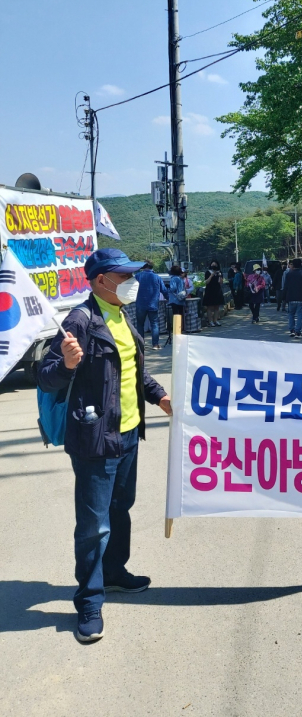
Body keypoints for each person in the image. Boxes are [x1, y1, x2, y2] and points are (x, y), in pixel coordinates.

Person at [38, 248, 172, 643]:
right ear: (101, 281)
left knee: (120, 510)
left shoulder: (121, 314)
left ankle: (114, 573)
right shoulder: (80, 320)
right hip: (95, 440)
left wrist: (160, 397)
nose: (132, 282)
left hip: (128, 434)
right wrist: (66, 364)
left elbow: (135, 372)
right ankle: (89, 600)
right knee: (94, 526)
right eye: (124, 275)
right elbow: (45, 377)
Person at [135, 262, 168, 350]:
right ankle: (155, 344)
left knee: (140, 325)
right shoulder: (157, 277)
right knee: (154, 324)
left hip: (140, 304)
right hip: (153, 304)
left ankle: (141, 345)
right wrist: (168, 298)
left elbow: (131, 288)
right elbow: (164, 290)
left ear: (143, 267)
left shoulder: (137, 276)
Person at [283, 257, 302, 338]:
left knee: (291, 314)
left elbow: (285, 286)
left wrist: (284, 297)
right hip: (301, 297)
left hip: (291, 297)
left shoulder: (289, 274)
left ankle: (292, 330)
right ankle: (298, 331)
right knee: (300, 315)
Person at [203, 259, 225, 327]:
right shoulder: (208, 272)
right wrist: (211, 275)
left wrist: (220, 276)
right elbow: (206, 282)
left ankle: (215, 320)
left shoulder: (219, 272)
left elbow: (221, 282)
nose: (214, 266)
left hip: (217, 291)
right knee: (209, 307)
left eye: (215, 264)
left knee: (217, 307)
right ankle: (210, 321)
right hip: (209, 291)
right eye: (213, 264)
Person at [168, 264, 186, 330]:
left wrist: (168, 289)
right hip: (181, 298)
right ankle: (181, 327)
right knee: (181, 314)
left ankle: (176, 328)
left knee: (175, 314)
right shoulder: (180, 279)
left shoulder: (173, 279)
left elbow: (173, 288)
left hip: (175, 299)